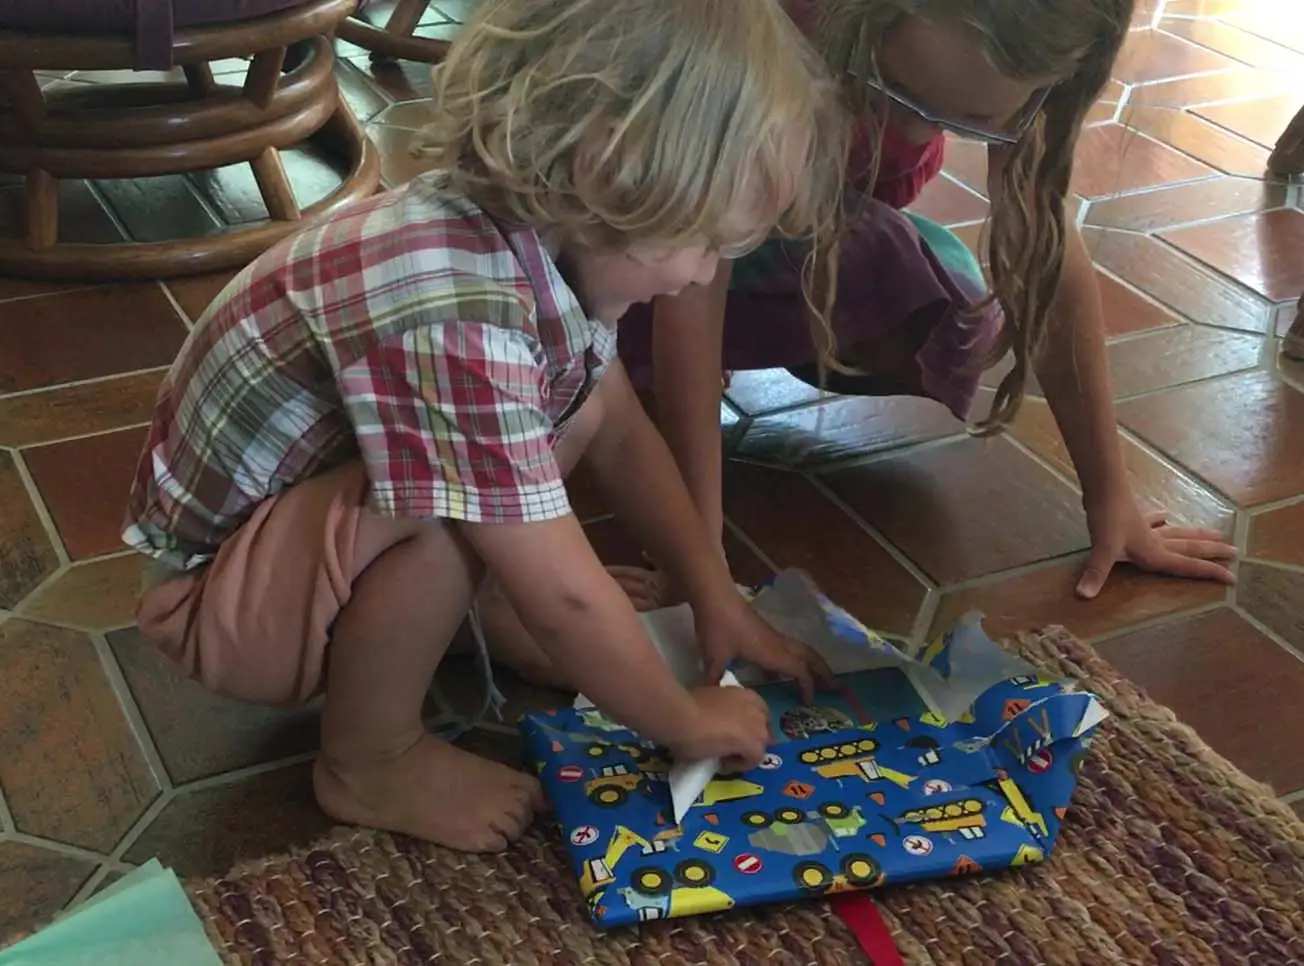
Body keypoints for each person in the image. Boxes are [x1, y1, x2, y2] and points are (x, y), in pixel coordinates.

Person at [120, 0, 843, 853]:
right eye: (705, 241)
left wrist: (710, 588)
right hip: (218, 602)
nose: (699, 276)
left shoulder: (534, 234)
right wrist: (684, 719)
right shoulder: (456, 307)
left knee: (566, 413)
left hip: (294, 543)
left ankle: (475, 614)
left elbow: (617, 428)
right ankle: (370, 757)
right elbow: (565, 595)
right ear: (608, 171)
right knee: (453, 510)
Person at [618, 0, 1238, 601]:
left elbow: (1041, 244)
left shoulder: (1036, 47)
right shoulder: (768, 28)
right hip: (641, 223)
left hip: (793, 216)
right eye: (891, 88)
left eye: (966, 120)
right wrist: (697, 553)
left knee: (947, 314)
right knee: (652, 296)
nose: (911, 132)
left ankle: (671, 352)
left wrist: (1110, 499)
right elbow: (692, 296)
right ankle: (615, 352)